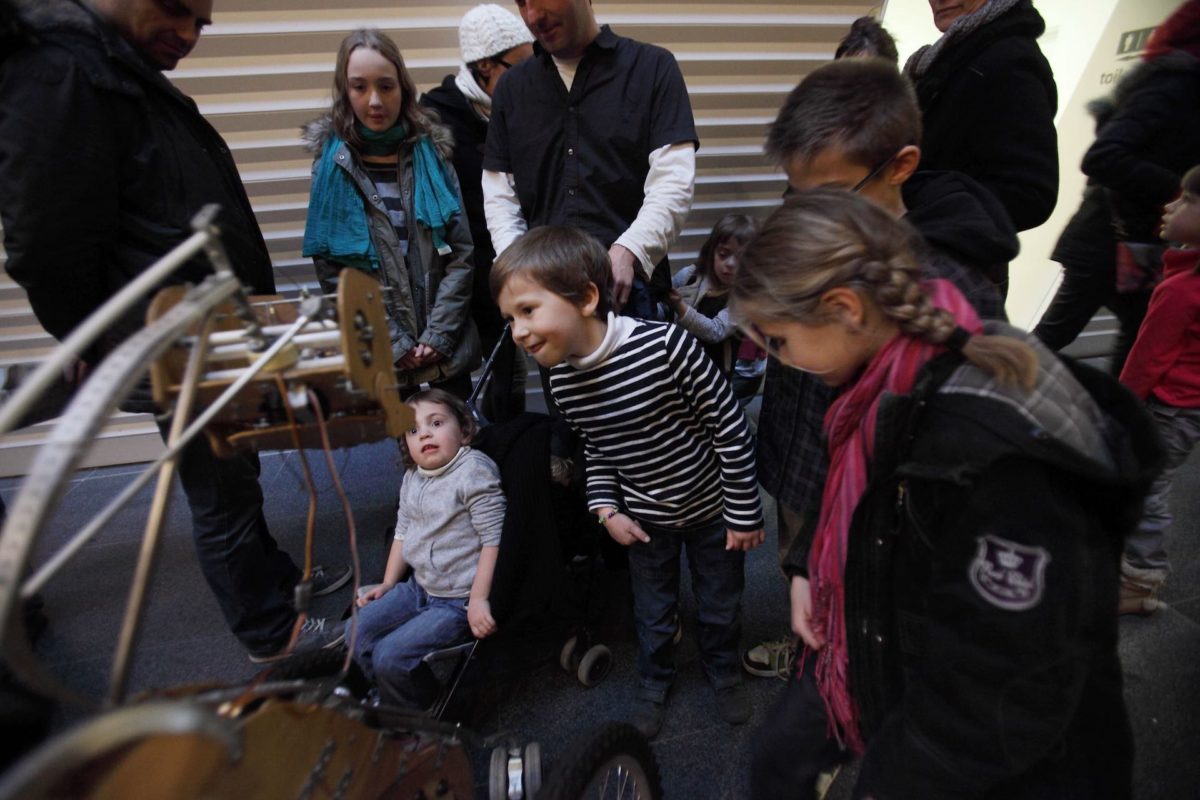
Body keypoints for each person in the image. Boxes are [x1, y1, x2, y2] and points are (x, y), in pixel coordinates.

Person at [733, 190, 1159, 799]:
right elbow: (852, 488)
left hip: (1015, 747)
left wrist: (889, 784)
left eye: (778, 341)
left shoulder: (990, 458)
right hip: (888, 631)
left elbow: (1004, 686)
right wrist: (806, 565)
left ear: (844, 308)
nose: (782, 359)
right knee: (779, 756)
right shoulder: (885, 370)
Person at [0, 0, 349, 664]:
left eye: (201, 23)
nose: (188, 35)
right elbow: (45, 242)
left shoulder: (113, 64)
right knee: (218, 486)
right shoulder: (63, 71)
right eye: (175, 11)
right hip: (170, 342)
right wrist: (90, 339)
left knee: (234, 468)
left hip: (203, 333)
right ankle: (273, 633)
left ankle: (275, 582)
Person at [743, 57, 1016, 679]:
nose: (809, 214)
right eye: (797, 195)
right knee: (803, 566)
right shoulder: (834, 233)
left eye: (830, 195)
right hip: (808, 458)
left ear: (901, 166)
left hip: (881, 521)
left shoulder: (946, 291)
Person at [491, 226, 764, 740]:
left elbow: (729, 425)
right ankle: (654, 679)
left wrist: (743, 510)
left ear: (586, 298)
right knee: (653, 611)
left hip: (712, 510)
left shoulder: (667, 347)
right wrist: (606, 511)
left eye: (527, 310)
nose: (518, 332)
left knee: (720, 601)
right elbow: (597, 448)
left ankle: (723, 670)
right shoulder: (563, 384)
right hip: (644, 520)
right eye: (509, 319)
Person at [482, 0, 697, 321]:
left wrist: (630, 250)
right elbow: (500, 196)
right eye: (522, 2)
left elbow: (673, 181)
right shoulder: (511, 88)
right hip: (547, 301)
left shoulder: (652, 68)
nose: (532, 16)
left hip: (632, 298)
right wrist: (520, 270)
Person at [302, 28, 479, 399]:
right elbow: (337, 277)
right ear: (345, 91)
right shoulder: (332, 168)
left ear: (403, 88)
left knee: (457, 434)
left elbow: (461, 255)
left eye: (386, 86)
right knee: (403, 435)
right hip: (383, 355)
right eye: (359, 87)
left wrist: (438, 335)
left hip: (445, 351)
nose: (375, 101)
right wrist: (393, 343)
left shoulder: (433, 156)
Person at [1039, 0, 1200, 376]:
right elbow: (1102, 157)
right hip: (1105, 239)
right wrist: (1182, 192)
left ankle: (1116, 414)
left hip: (1139, 241)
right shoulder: (1175, 84)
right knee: (1051, 339)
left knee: (1134, 340)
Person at [353, 389, 504, 709]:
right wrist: (388, 583)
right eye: (413, 430)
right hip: (420, 586)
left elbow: (493, 538)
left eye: (436, 423)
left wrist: (478, 599)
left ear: (464, 430)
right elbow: (403, 531)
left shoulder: (473, 471)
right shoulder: (413, 477)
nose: (424, 434)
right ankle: (385, 695)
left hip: (458, 599)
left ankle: (422, 710)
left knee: (390, 656)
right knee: (358, 628)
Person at [420, 5, 534, 421]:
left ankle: (504, 447)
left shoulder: (519, 108)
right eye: (520, 67)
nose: (531, 76)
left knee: (511, 374)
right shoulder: (435, 118)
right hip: (456, 276)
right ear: (485, 65)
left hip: (505, 266)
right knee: (455, 385)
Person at [1116, 164, 1200, 615]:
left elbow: (1147, 358)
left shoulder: (1181, 290)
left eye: (1188, 200)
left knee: (1148, 485)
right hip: (1189, 407)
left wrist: (1121, 406)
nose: (1171, 206)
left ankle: (1139, 580)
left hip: (1165, 408)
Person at [904, 0, 1058, 235]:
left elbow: (1030, 192)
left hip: (946, 250)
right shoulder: (951, 58)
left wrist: (918, 208)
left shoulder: (1007, 60)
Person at [668, 213, 759, 380]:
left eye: (740, 258)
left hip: (714, 376)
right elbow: (663, 307)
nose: (730, 264)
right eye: (723, 254)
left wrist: (680, 307)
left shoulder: (744, 297)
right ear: (712, 252)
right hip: (679, 366)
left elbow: (715, 331)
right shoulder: (690, 275)